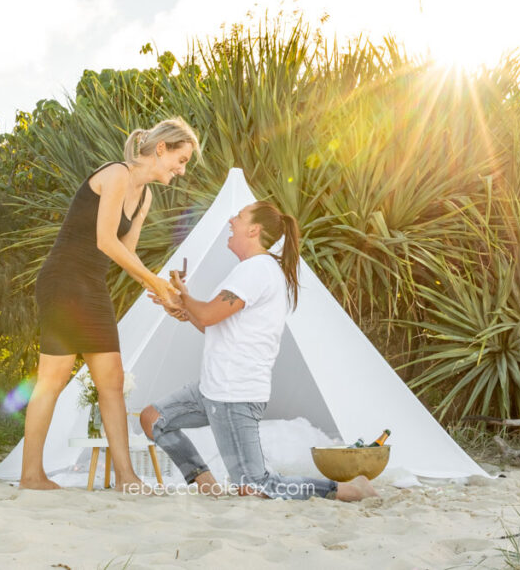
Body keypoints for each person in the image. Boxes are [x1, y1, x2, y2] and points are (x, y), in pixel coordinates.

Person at [140, 202, 378, 501]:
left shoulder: (256, 269)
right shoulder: (253, 270)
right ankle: (207, 484)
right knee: (154, 418)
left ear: (254, 229)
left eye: (239, 217)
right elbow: (216, 326)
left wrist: (183, 297)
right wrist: (186, 310)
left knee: (255, 486)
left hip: (234, 393)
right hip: (214, 389)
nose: (231, 220)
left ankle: (351, 489)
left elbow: (209, 315)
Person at [20, 118, 199, 490]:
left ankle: (125, 477)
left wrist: (161, 294)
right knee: (53, 378)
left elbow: (126, 255)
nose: (182, 171)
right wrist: (157, 282)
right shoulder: (117, 174)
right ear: (161, 148)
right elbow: (105, 240)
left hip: (92, 285)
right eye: (180, 160)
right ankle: (31, 476)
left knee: (112, 381)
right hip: (64, 280)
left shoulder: (145, 197)